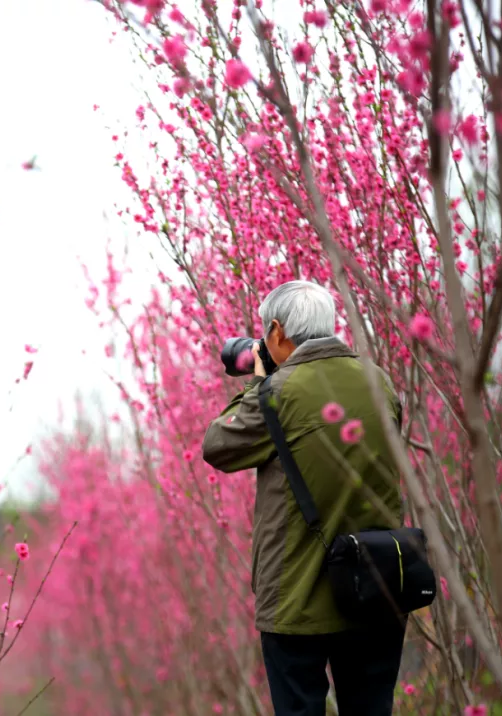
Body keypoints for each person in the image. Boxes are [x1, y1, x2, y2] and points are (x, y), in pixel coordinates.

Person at [202, 280, 406, 716]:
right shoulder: (380, 381)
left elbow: (216, 445)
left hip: (297, 598)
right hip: (378, 586)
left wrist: (260, 382)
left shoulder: (276, 392)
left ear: (276, 332)